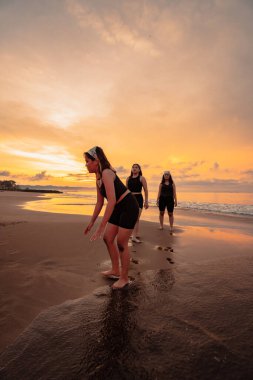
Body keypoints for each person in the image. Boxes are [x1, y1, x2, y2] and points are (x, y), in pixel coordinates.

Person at [83, 146, 139, 289]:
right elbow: (100, 202)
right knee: (108, 238)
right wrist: (91, 223)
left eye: (88, 161)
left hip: (128, 205)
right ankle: (115, 269)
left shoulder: (107, 173)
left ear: (96, 160)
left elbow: (112, 201)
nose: (86, 164)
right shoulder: (98, 178)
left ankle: (124, 278)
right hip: (118, 207)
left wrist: (101, 226)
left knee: (121, 242)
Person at [126, 164, 149, 243]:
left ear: (139, 170)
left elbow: (145, 190)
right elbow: (126, 191)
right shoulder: (128, 178)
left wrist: (146, 201)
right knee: (132, 218)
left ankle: (134, 237)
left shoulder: (141, 178)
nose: (134, 169)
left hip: (139, 198)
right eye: (133, 167)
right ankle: (135, 234)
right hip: (130, 199)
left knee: (136, 218)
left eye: (136, 167)